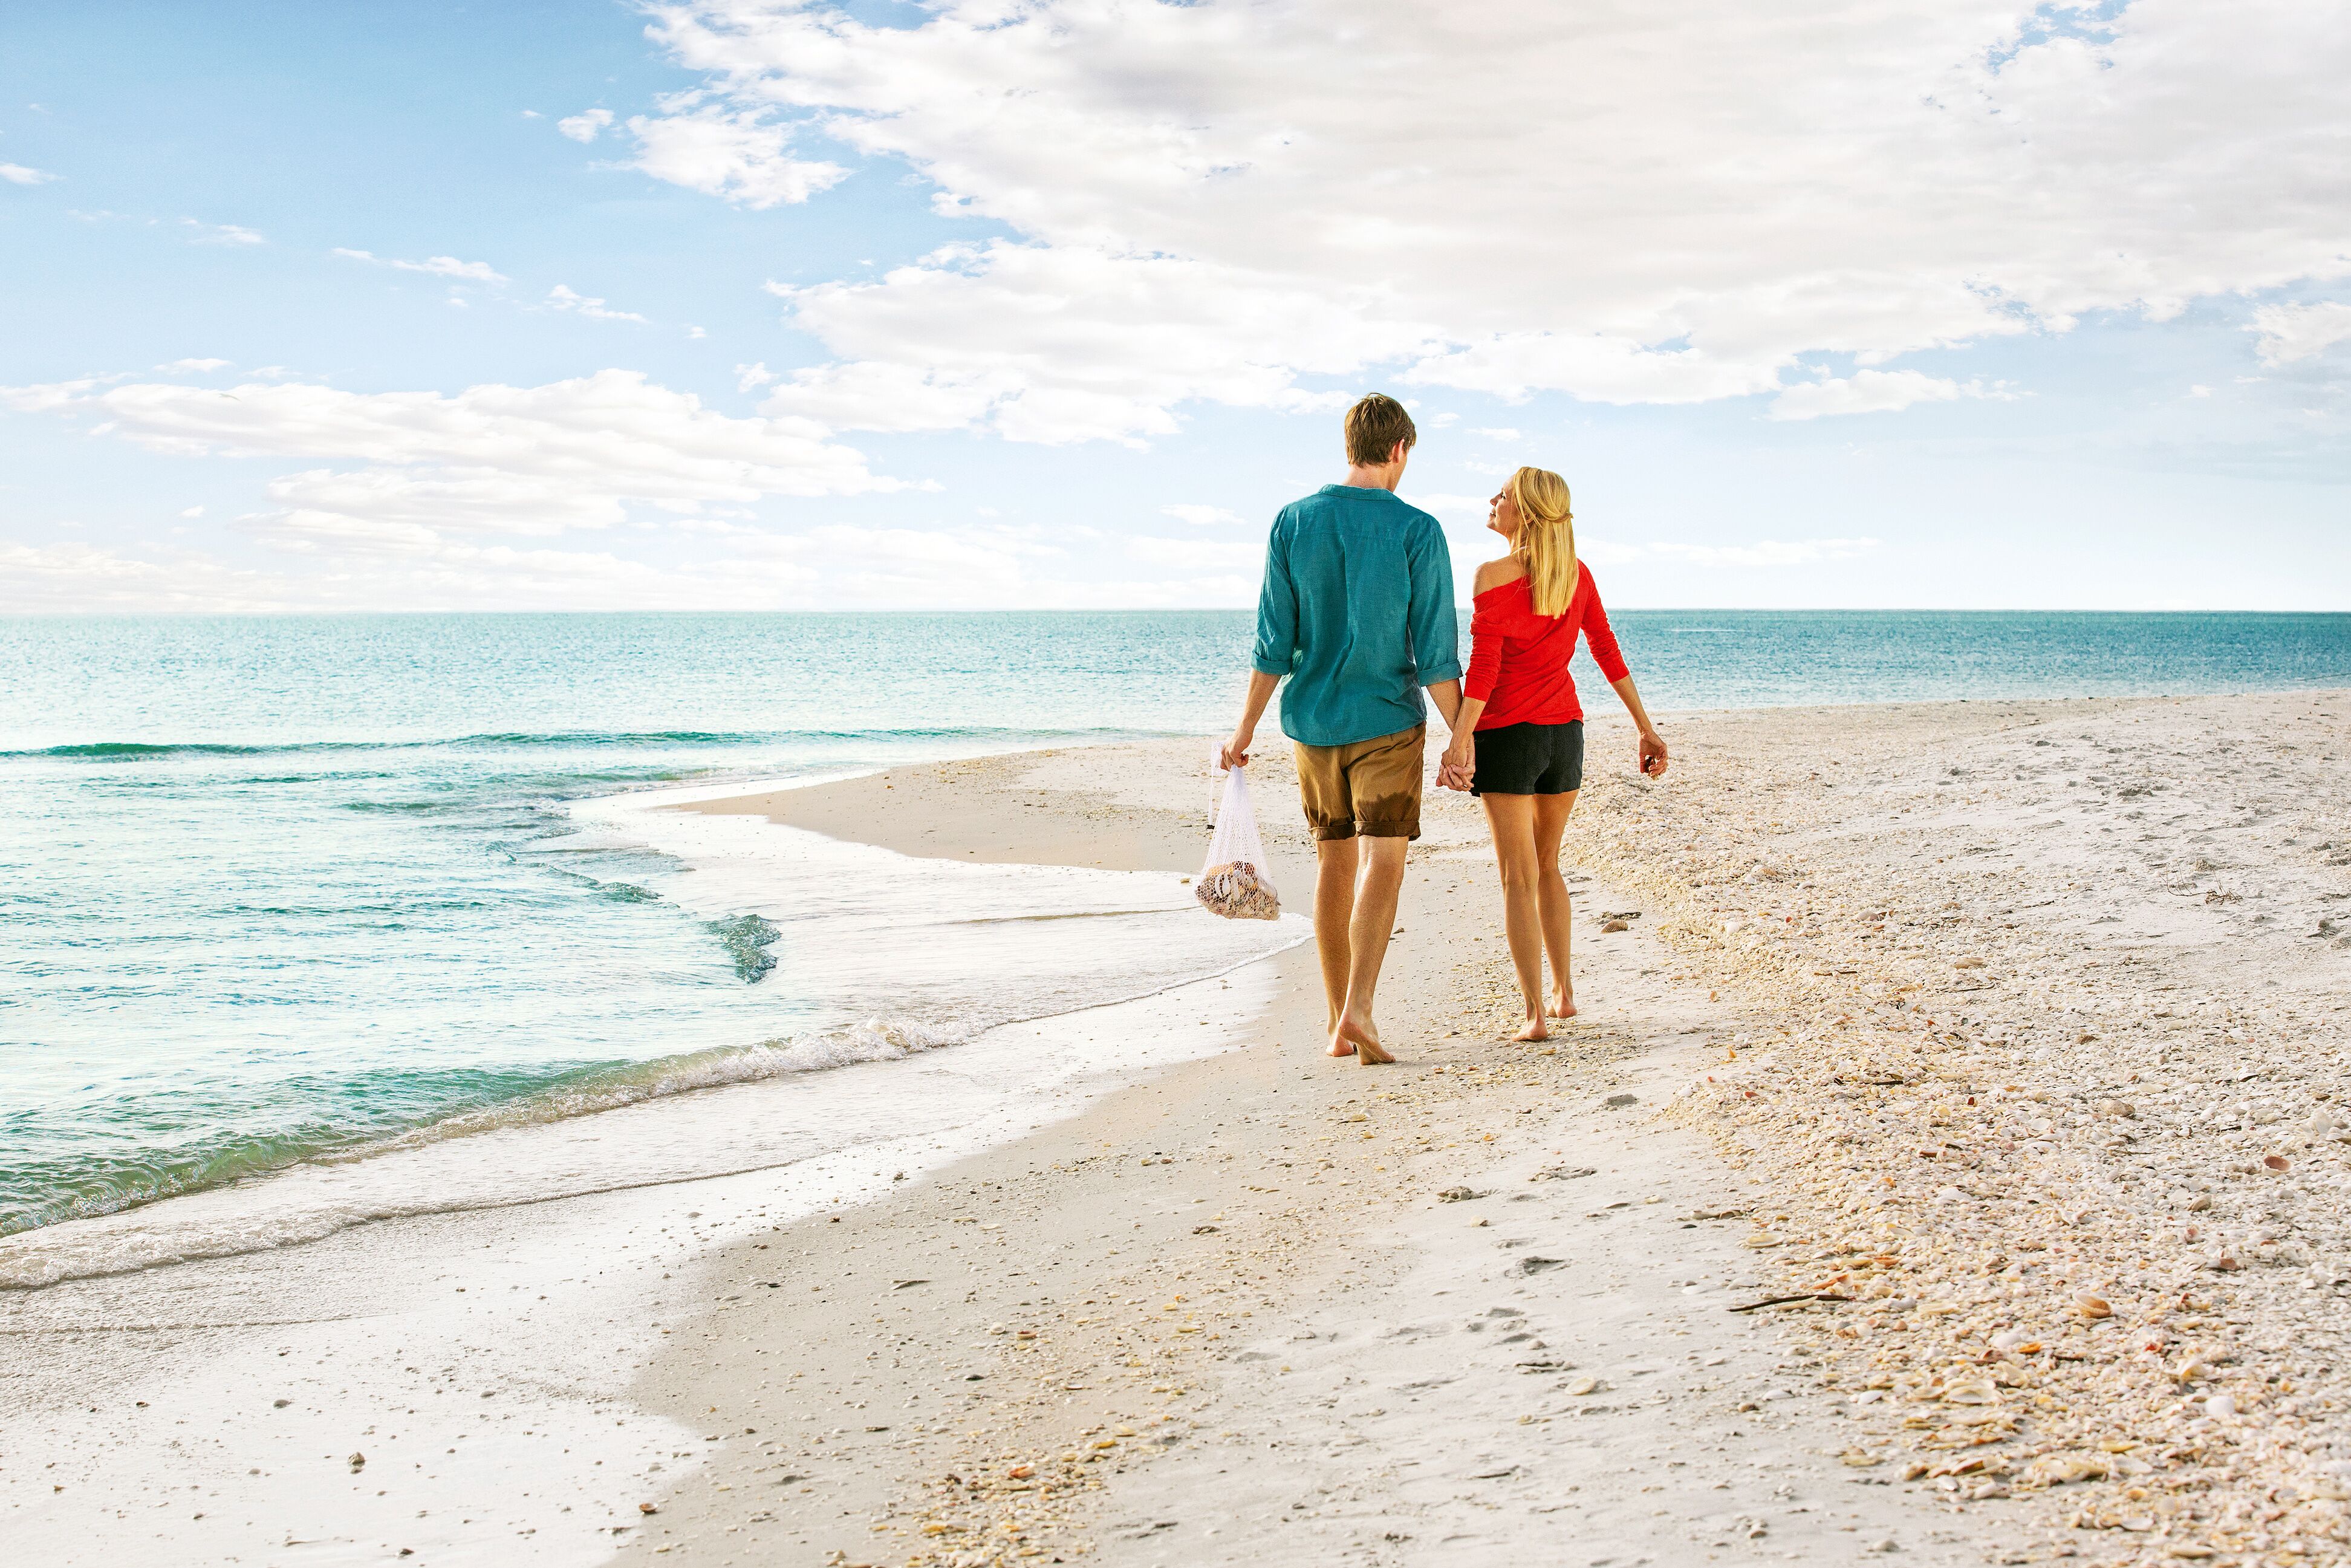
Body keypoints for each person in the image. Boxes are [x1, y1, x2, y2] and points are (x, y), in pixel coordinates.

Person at [1221, 394, 1468, 1066]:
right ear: (1399, 451)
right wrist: (1461, 735)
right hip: (1387, 721)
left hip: (1313, 723)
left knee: (1334, 860)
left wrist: (1243, 729)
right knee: (1382, 860)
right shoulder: (1419, 531)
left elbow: (1274, 642)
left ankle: (1336, 1022)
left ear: (1350, 445)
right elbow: (1438, 651)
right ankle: (1359, 1008)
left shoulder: (1293, 522)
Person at [1438, 466, 1667, 1041]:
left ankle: (1535, 1015)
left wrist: (1460, 737)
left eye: (1506, 496)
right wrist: (1646, 728)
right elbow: (1607, 654)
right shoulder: (1576, 575)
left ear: (1528, 515)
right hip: (1564, 735)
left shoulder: (1492, 575)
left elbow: (1486, 670)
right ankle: (1564, 995)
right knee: (1547, 867)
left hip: (1510, 738)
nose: (1494, 500)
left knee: (1518, 877)